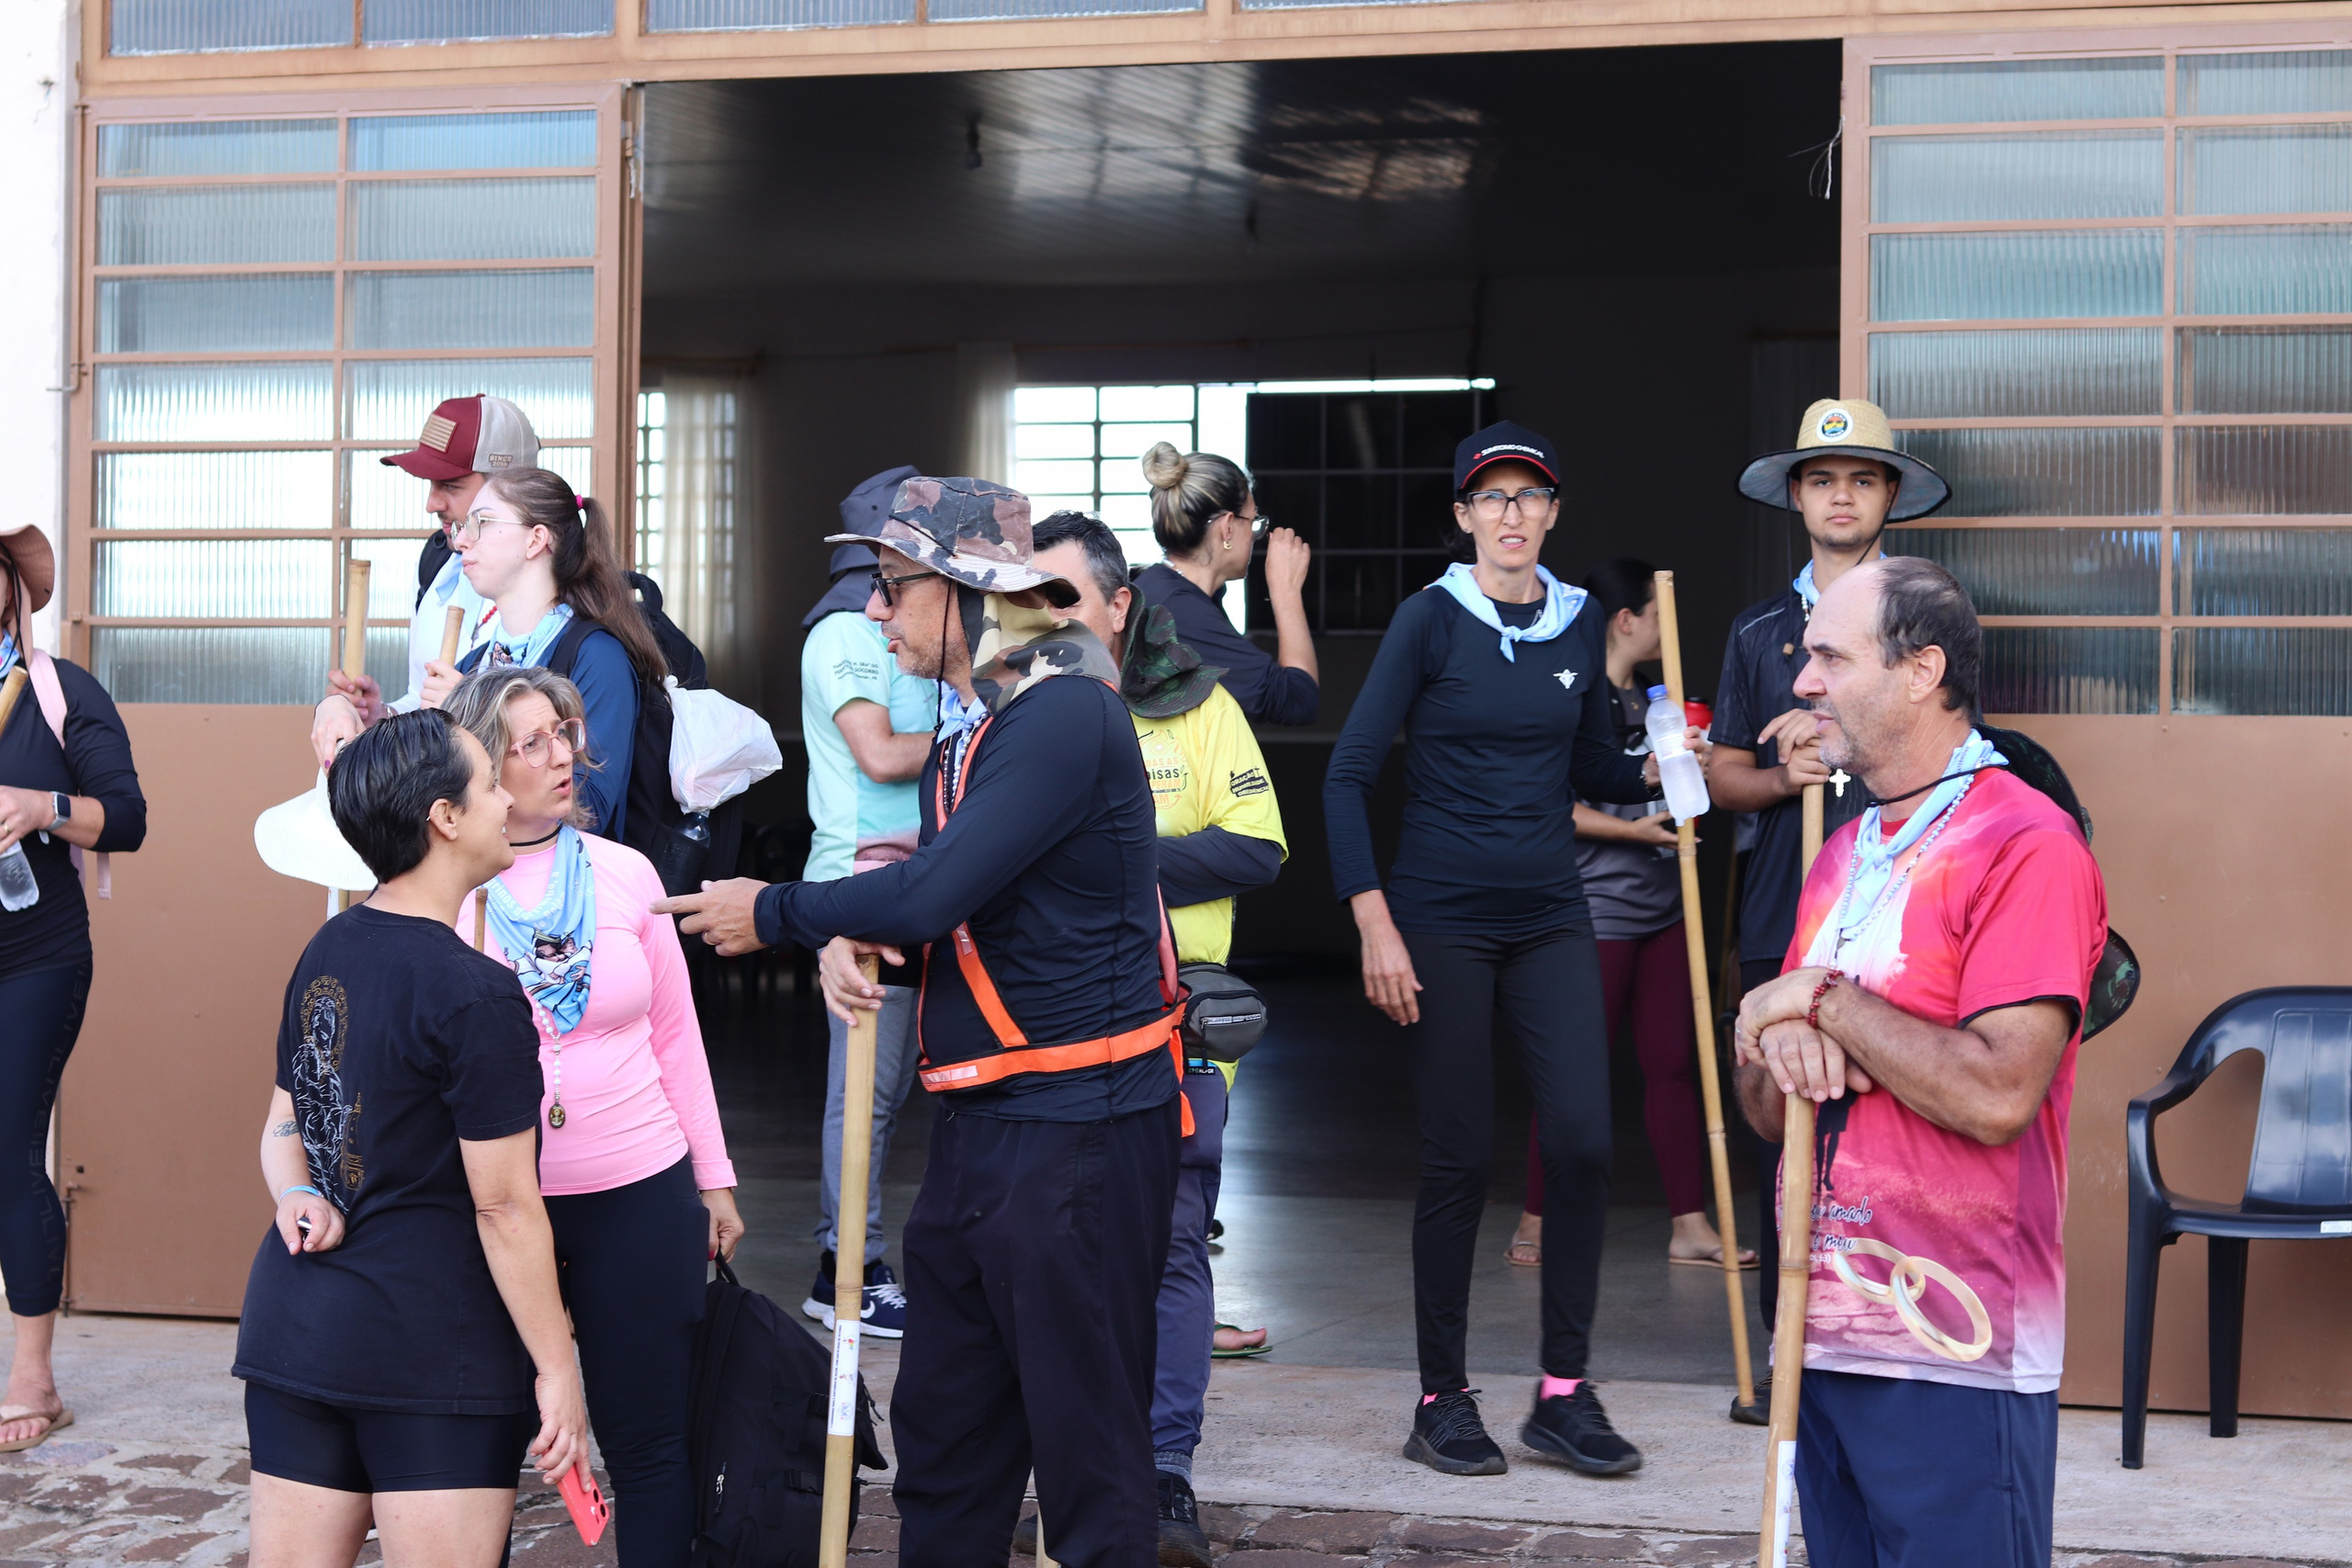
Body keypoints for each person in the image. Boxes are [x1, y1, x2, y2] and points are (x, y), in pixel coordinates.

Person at [657, 478, 1180, 1568]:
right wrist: (853, 929)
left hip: (1077, 1133)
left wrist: (781, 913)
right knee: (946, 1442)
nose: (874, 611)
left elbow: (931, 896)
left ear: (968, 593)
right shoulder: (972, 727)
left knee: (1088, 1462)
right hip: (982, 1132)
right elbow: (947, 900)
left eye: (893, 588)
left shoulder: (1064, 715)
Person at [1324, 422, 1701, 1481]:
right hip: (1439, 917)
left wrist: (1670, 759)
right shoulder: (1428, 619)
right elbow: (1346, 776)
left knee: (1581, 1140)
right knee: (1456, 1153)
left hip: (1548, 915)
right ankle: (1439, 1397)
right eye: (1490, 497)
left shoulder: (1577, 625)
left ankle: (1562, 1394)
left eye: (1529, 496)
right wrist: (1374, 921)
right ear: (1463, 514)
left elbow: (1593, 768)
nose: (1510, 514)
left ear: (1552, 511)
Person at [1732, 556, 2106, 1568]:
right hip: (1818, 1330)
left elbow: (1997, 1093)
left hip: (1955, 1342)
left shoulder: (2024, 844)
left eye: (1829, 656)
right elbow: (1766, 1110)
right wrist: (1773, 1038)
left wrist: (1823, 1000)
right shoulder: (1840, 852)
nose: (1803, 681)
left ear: (1920, 670)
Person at [236, 710, 589, 1568]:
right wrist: (558, 1367)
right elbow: (505, 1207)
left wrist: (296, 1190)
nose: (508, 800)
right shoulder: (476, 993)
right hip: (435, 1351)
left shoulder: (329, 946)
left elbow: (283, 1121)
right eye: (491, 784)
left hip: (298, 1329)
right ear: (445, 817)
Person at [1029, 512, 1287, 1568]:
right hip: (1047, 1033)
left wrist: (1116, 859)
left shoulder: (1199, 706)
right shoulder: (1010, 710)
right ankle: (1078, 1475)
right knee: (1055, 1260)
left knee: (1172, 1246)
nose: (1044, 619)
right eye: (1026, 599)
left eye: (1063, 597)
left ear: (1118, 605)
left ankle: (1164, 1471)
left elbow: (1258, 847)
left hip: (1180, 1032)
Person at [443, 665, 741, 1568]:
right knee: (479, 1447)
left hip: (639, 1189)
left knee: (650, 1444)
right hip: (496, 1205)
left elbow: (677, 1037)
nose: (560, 754)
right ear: (481, 764)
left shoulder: (625, 872)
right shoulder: (449, 891)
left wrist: (713, 1178)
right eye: (530, 742)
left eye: (563, 732)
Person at [1709, 398, 1950, 1352]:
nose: (1840, 496)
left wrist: (1837, 726)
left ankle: (1887, 1339)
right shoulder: (1757, 630)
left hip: (1898, 903)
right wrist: (1783, 775)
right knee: (1786, 1118)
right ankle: (1791, 1352)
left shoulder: (1925, 619)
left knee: (1892, 1121)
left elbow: (1956, 755)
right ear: (1796, 497)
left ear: (1889, 495)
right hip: (1789, 902)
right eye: (1821, 479)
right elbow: (1724, 778)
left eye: (1860, 479)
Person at [1504, 559, 1751, 1275]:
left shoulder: (1655, 701)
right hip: (1594, 911)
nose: (1667, 629)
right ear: (1625, 620)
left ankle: (1690, 1225)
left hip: (1663, 909)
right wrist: (1632, 832)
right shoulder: (1569, 698)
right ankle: (1536, 1216)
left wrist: (1698, 763)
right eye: (1656, 614)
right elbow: (1548, 806)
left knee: (1673, 1065)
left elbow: (1671, 791)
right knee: (1572, 1070)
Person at [0, 524, 146, 1455]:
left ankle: (33, 1375)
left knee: (7, 1149)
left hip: (34, 956)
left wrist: (42, 807)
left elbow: (126, 818)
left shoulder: (59, 692)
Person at [796, 468, 936, 1343]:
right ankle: (844, 1268)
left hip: (930, 880)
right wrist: (989, 731)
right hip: (862, 885)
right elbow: (880, 755)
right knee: (866, 1095)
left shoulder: (919, 629)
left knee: (922, 1086)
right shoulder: (846, 632)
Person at [310, 393, 542, 769]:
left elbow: (558, 752)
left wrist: (468, 707)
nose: (431, 504)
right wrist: (380, 716)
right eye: (432, 484)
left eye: (451, 485)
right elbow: (423, 701)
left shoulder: (555, 595)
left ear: (510, 487)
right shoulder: (438, 565)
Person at [445, 467, 666, 844]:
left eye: (481, 522)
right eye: (463, 526)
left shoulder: (598, 657)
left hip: (565, 878)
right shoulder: (473, 665)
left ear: (535, 540)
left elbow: (590, 810)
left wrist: (468, 730)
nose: (461, 540)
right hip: (482, 875)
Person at [1131, 444, 1319, 726]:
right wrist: (1286, 591)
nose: (1254, 537)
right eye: (1253, 522)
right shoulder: (1175, 610)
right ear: (1227, 527)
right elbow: (1297, 701)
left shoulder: (1167, 592)